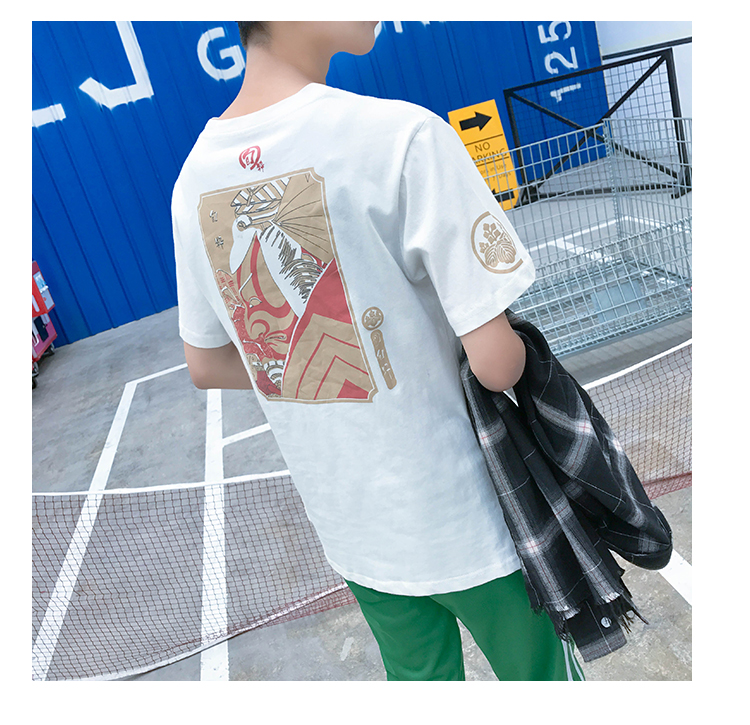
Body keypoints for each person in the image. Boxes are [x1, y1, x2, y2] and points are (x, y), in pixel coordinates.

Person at [171, 21, 584, 681]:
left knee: (419, 681)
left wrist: (311, 361)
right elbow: (497, 364)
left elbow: (206, 363)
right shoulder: (403, 138)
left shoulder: (193, 182)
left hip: (353, 528)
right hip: (467, 514)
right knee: (541, 680)